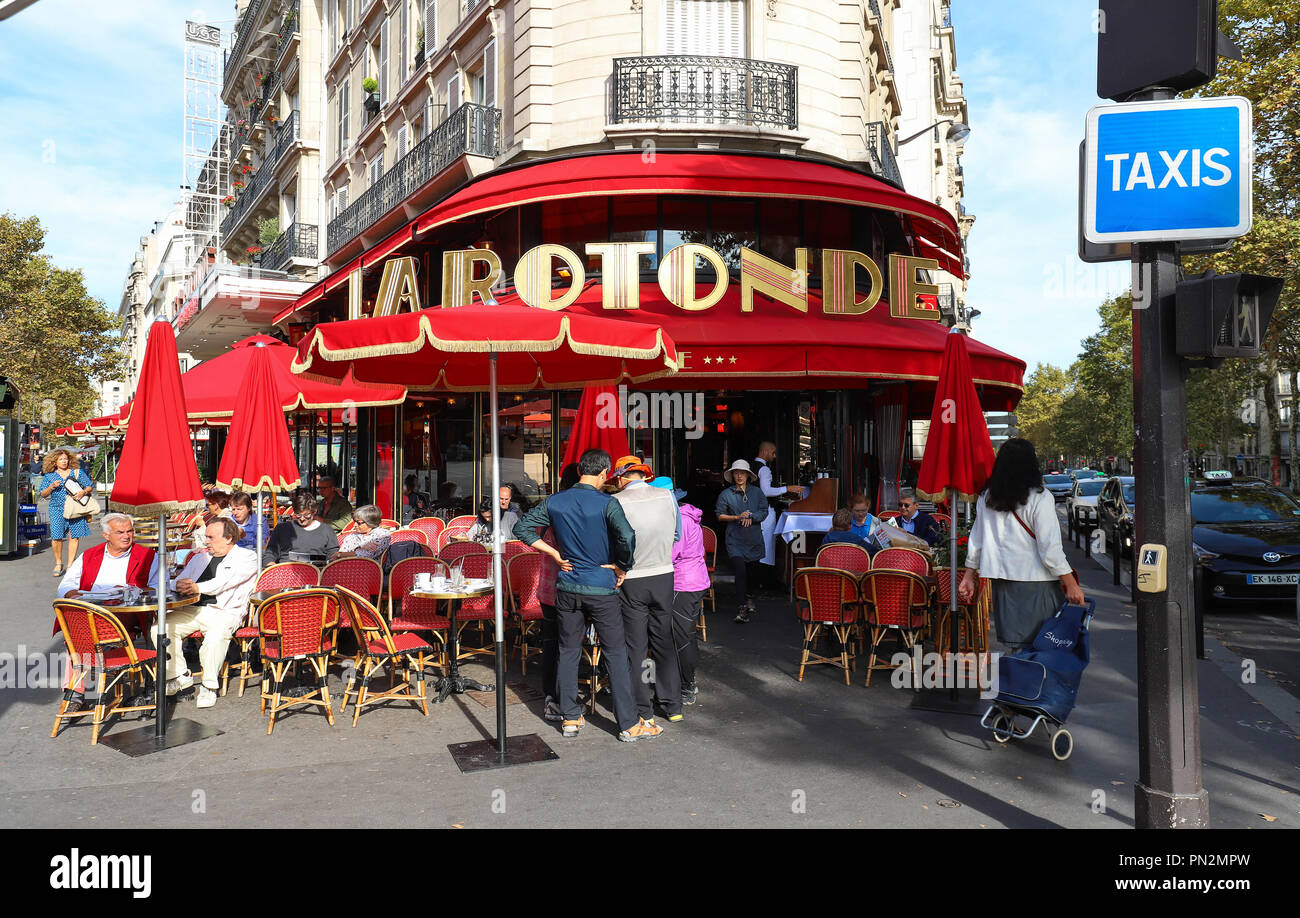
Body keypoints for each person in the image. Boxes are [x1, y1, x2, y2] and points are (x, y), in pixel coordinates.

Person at [514, 448, 657, 742]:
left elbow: (522, 527)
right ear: (604, 473)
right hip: (601, 587)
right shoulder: (607, 503)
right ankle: (629, 724)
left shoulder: (556, 500)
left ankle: (569, 718)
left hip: (567, 587)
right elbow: (627, 537)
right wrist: (622, 566)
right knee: (616, 652)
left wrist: (554, 553)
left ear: (581, 470)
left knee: (567, 651)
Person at [958, 438, 1085, 652]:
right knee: (1043, 648)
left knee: (1015, 648)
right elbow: (1050, 549)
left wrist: (969, 575)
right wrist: (1071, 583)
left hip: (1003, 584)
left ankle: (1013, 685)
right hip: (1037, 583)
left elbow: (977, 541)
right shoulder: (1040, 498)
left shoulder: (987, 498)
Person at [611, 456, 682, 725]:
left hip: (632, 578)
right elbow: (677, 535)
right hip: (664, 574)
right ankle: (672, 705)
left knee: (637, 646)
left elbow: (616, 542)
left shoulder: (617, 501)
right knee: (664, 640)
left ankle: (644, 707)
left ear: (621, 478)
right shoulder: (666, 495)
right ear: (644, 475)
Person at [159, 518, 259, 708]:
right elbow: (177, 581)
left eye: (211, 537)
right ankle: (178, 676)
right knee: (160, 628)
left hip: (225, 611)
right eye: (206, 537)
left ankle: (209, 686)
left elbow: (223, 582)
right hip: (193, 609)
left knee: (215, 636)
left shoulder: (247, 557)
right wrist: (179, 585)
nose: (206, 541)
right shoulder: (199, 557)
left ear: (228, 538)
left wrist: (195, 587)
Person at [652, 476, 709, 706]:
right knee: (681, 634)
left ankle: (687, 686)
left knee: (682, 637)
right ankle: (682, 683)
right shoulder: (686, 515)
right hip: (693, 580)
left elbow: (669, 553)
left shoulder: (679, 520)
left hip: (683, 583)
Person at [58, 512, 161, 600]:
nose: (126, 536)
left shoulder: (149, 557)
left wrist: (131, 591)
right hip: (90, 609)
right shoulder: (89, 555)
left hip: (128, 613)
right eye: (120, 532)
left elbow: (161, 588)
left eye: (129, 531)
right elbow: (65, 585)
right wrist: (74, 595)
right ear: (106, 535)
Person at [715, 459, 769, 623]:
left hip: (753, 539)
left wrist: (752, 517)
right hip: (735, 540)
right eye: (736, 473)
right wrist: (737, 517)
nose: (739, 476)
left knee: (752, 573)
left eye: (742, 473)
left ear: (748, 475)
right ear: (732, 475)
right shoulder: (726, 494)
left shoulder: (757, 492)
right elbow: (719, 515)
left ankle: (749, 596)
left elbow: (764, 511)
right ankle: (741, 607)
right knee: (740, 572)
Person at [754, 442, 804, 584]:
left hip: (752, 510)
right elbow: (766, 491)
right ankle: (764, 579)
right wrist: (787, 488)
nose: (774, 456)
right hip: (764, 511)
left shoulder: (751, 467)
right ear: (765, 452)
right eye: (773, 453)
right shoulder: (764, 469)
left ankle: (757, 578)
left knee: (755, 543)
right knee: (767, 544)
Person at [40, 448, 94, 578]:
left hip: (75, 508)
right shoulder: (49, 476)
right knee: (56, 536)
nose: (64, 461)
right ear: (54, 461)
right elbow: (43, 494)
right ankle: (59, 563)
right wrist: (51, 487)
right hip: (57, 508)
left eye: (66, 459)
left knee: (74, 536)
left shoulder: (77, 472)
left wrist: (83, 492)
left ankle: (70, 564)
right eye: (61, 459)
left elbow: (89, 485)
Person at [263, 491, 340, 566]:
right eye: (298, 515)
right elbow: (270, 554)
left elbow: (333, 558)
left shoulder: (326, 531)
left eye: (307, 515)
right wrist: (271, 565)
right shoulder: (282, 529)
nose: (302, 519)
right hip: (286, 573)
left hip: (316, 573)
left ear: (314, 511)